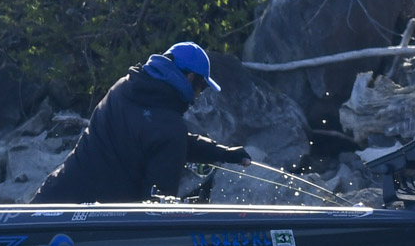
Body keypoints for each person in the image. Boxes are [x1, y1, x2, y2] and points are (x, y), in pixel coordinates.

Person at [32, 41, 252, 204]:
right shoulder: (168, 128)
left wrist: (223, 153)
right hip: (96, 230)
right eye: (202, 88)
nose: (198, 96)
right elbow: (157, 208)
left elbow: (154, 134)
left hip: (51, 200)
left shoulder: (122, 88)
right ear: (190, 78)